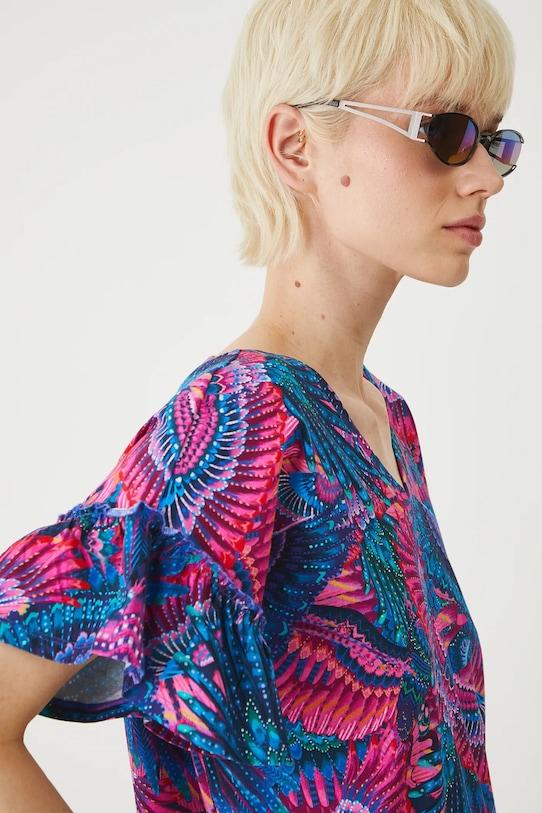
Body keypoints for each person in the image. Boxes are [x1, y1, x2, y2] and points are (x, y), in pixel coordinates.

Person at [0, 1, 523, 811]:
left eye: (497, 141)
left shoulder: (387, 420)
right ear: (295, 145)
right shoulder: (243, 419)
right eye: (446, 131)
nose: (487, 175)